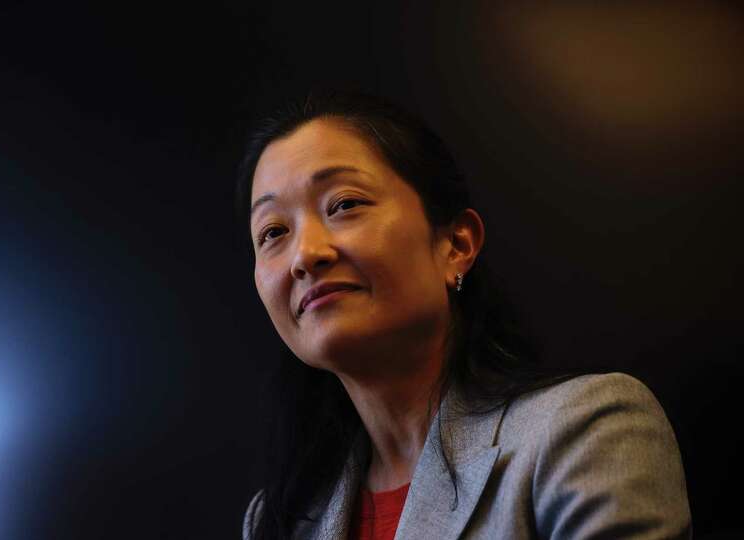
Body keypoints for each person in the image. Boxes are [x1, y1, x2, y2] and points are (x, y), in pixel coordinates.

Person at [236, 91, 691, 540]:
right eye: (273, 231)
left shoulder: (583, 432)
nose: (305, 255)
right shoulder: (276, 520)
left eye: (345, 204)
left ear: (456, 245)